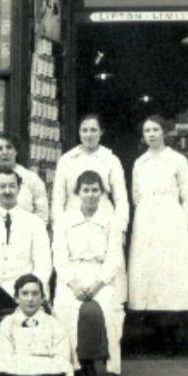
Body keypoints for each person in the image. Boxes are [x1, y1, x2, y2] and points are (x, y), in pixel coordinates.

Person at [52, 171, 124, 376]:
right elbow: (60, 257)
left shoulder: (111, 220)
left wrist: (98, 284)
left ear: (101, 193)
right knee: (69, 311)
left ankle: (92, 375)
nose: (91, 195)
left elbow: (114, 257)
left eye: (95, 190)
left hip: (100, 277)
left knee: (100, 311)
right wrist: (73, 283)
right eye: (86, 190)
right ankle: (82, 370)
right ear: (77, 193)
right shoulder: (64, 220)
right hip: (71, 277)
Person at [127, 115, 188, 355]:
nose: (151, 134)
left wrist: (183, 225)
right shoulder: (140, 163)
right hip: (147, 221)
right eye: (147, 130)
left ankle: (171, 335)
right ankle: (154, 334)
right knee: (149, 275)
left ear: (164, 131)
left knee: (170, 276)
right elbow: (136, 196)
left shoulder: (177, 160)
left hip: (171, 221)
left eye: (156, 129)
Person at [0, 166, 52, 349]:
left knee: (34, 313)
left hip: (22, 287)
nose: (7, 191)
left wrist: (34, 289)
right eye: (2, 186)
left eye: (12, 186)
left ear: (19, 188)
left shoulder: (34, 223)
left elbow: (44, 262)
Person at [52, 114, 130, 302]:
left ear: (101, 132)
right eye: (84, 130)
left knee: (108, 276)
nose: (89, 134)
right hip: (73, 221)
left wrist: (121, 226)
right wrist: (57, 225)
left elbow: (121, 198)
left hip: (103, 220)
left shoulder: (111, 159)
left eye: (93, 130)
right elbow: (58, 196)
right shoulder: (67, 159)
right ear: (79, 132)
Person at [0, 274, 76, 376]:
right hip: (20, 374)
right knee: (2, 374)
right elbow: (5, 357)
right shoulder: (7, 324)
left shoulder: (54, 324)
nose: (30, 299)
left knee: (62, 373)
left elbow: (62, 358)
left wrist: (39, 368)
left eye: (35, 293)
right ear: (16, 298)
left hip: (46, 375)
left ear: (43, 297)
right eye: (25, 294)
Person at [0, 132, 49, 223]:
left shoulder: (32, 179)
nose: (4, 152)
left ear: (16, 151)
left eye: (9, 147)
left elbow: (42, 214)